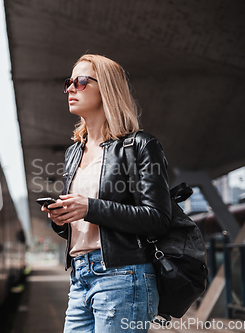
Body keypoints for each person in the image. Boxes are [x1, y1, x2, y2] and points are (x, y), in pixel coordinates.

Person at [41, 54, 172, 332]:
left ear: (108, 88)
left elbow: (158, 218)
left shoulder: (140, 146)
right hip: (80, 278)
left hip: (124, 278)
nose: (71, 88)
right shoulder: (73, 152)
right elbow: (81, 227)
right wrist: (61, 219)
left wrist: (89, 207)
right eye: (69, 82)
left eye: (82, 81)